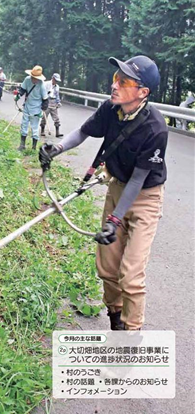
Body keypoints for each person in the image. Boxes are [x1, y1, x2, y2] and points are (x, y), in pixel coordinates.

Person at [39, 55, 168, 331]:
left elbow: (138, 179)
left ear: (142, 92)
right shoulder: (111, 109)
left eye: (124, 81)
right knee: (108, 268)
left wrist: (115, 219)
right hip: (117, 187)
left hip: (145, 197)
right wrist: (57, 148)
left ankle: (132, 337)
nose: (115, 85)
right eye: (115, 79)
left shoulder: (155, 128)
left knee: (130, 274)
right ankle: (116, 319)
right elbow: (83, 132)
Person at [15, 65, 49, 151]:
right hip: (27, 106)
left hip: (36, 109)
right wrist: (18, 96)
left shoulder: (41, 85)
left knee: (35, 128)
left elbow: (45, 100)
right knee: (24, 125)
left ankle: (33, 148)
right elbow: (22, 89)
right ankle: (22, 145)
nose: (34, 79)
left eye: (36, 78)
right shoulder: (27, 79)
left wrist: (42, 110)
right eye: (32, 77)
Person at [41, 72, 64, 138]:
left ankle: (57, 132)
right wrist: (43, 101)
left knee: (56, 117)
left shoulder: (57, 87)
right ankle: (42, 130)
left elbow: (57, 95)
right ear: (52, 78)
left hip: (54, 102)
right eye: (55, 80)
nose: (56, 82)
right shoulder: (46, 84)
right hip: (47, 101)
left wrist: (58, 102)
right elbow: (43, 92)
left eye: (57, 81)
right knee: (44, 117)